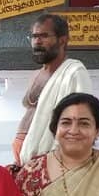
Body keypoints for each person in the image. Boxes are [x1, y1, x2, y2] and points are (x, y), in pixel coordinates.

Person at [13, 12, 91, 164]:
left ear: (62, 40)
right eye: (34, 37)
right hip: (25, 155)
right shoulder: (36, 75)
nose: (37, 41)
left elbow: (79, 120)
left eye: (44, 36)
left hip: (52, 159)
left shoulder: (74, 73)